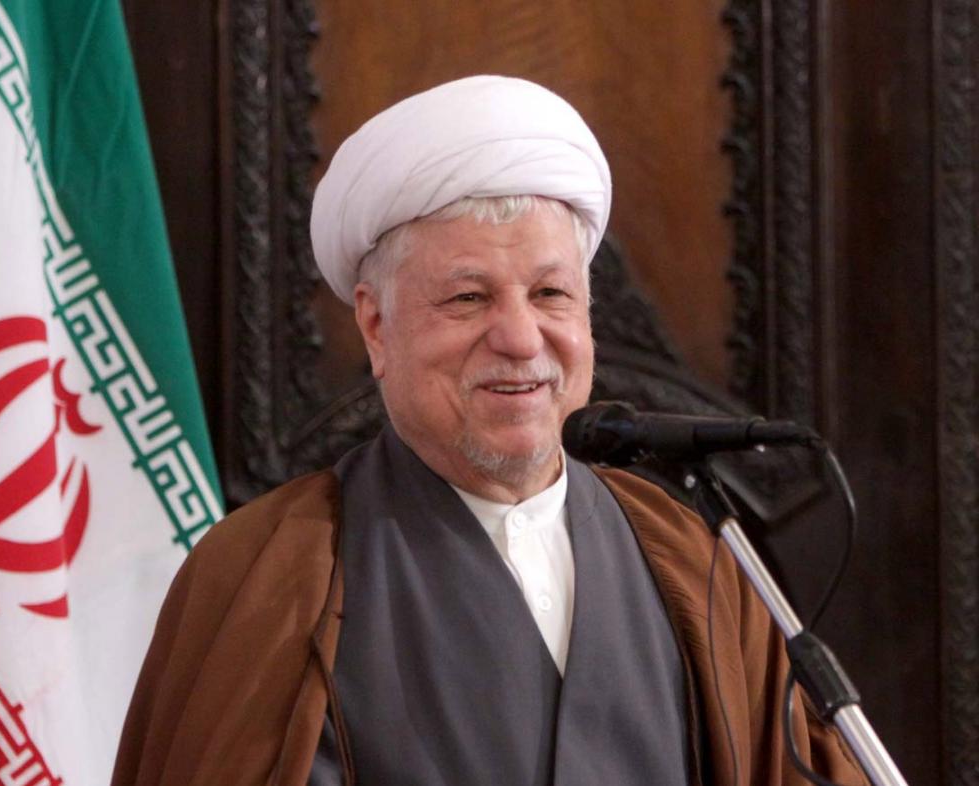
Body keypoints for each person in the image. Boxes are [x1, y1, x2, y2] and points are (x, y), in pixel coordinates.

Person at [111, 76, 867, 785]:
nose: (520, 338)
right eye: (469, 298)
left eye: (551, 293)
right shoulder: (264, 574)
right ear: (376, 326)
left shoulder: (691, 557)